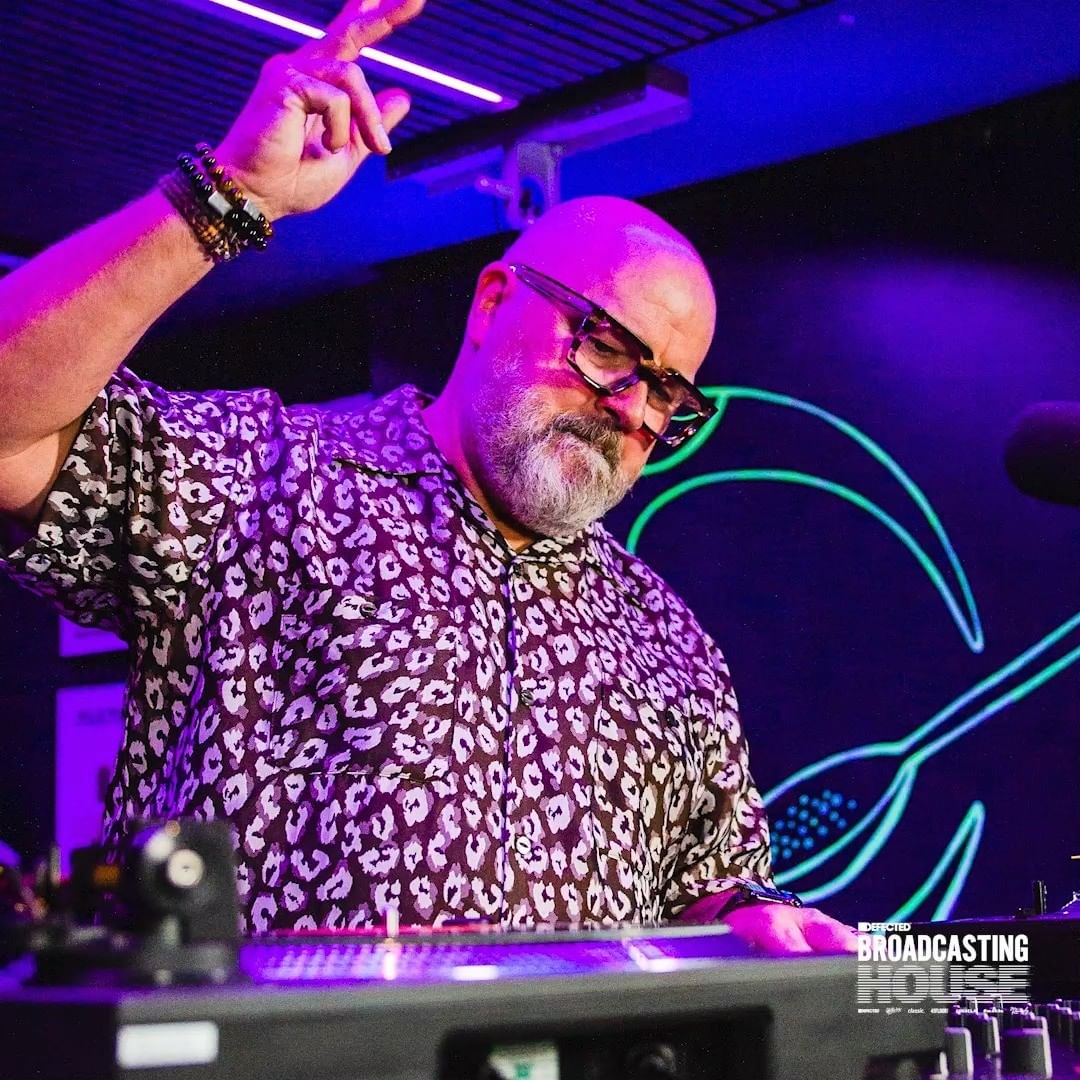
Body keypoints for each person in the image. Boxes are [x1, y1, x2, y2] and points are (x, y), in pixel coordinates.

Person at [0, 0, 854, 954]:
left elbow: (707, 883)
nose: (631, 409)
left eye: (667, 393)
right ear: (491, 304)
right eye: (608, 346)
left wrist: (746, 917)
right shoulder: (264, 480)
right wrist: (226, 194)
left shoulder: (667, 639)